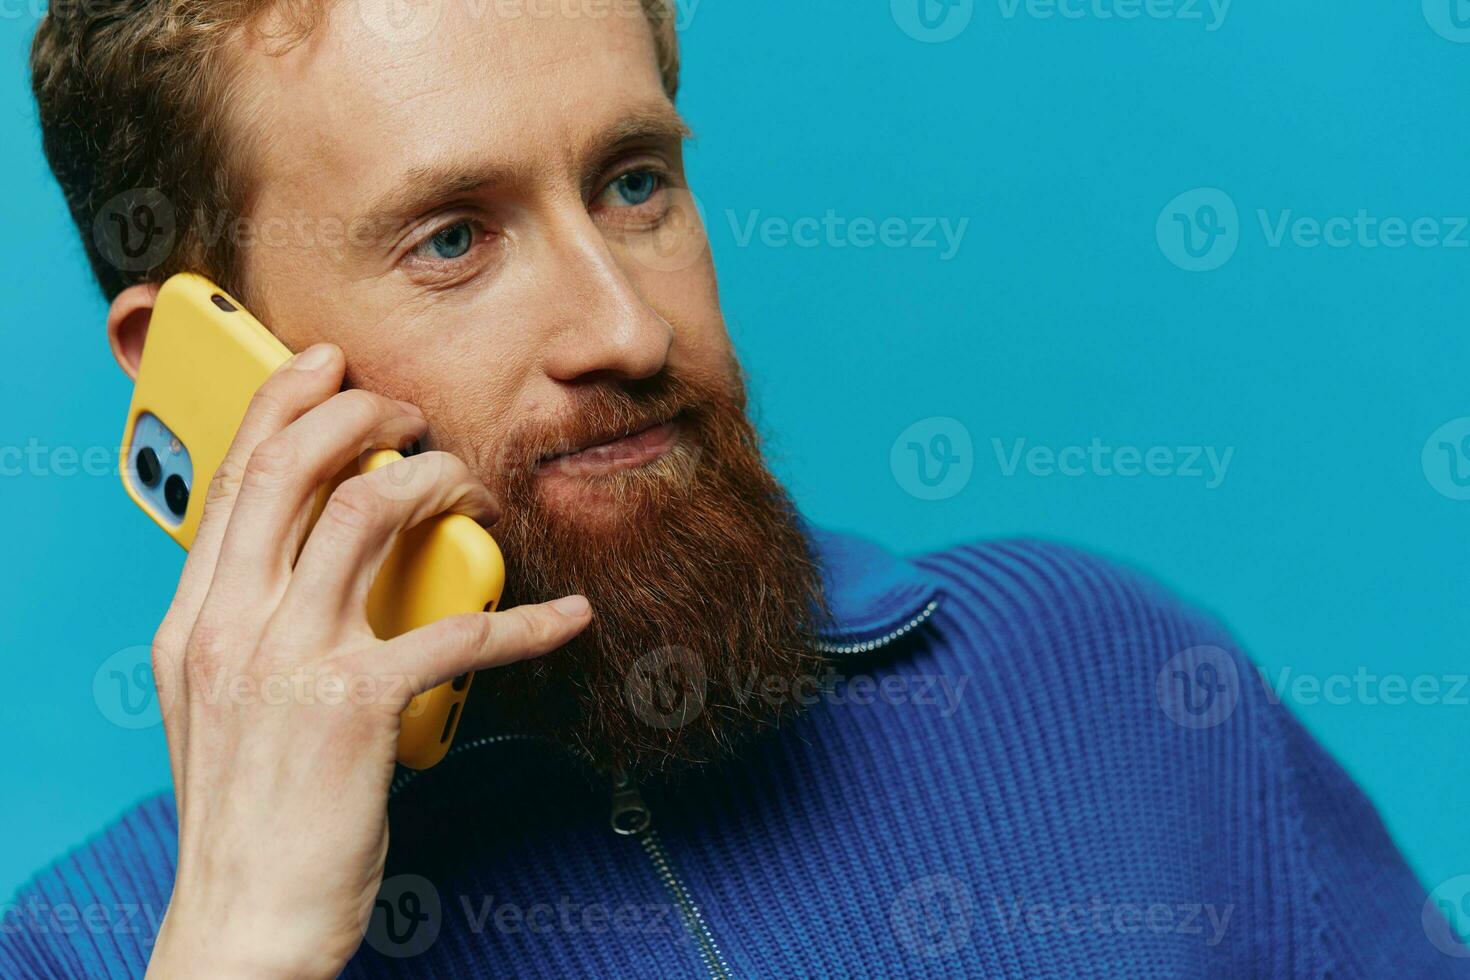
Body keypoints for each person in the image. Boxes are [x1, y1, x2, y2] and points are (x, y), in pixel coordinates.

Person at [6, 0, 1465, 975]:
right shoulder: (89, 946)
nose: (625, 330)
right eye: (452, 239)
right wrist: (242, 942)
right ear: (210, 376)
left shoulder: (1115, 678)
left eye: (633, 183)